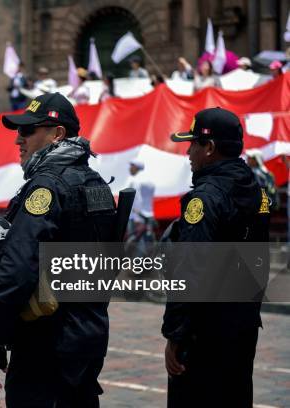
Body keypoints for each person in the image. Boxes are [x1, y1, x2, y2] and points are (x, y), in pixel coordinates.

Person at [0, 93, 118, 406]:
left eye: (29, 130)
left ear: (58, 134)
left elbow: (18, 267)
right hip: (88, 334)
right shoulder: (96, 184)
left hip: (47, 342)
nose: (19, 139)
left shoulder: (47, 186)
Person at [164, 107, 270, 407]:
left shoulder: (205, 198)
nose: (188, 151)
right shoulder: (257, 192)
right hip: (243, 324)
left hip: (204, 333)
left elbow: (189, 272)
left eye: (193, 143)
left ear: (209, 148)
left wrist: (175, 335)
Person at [125, 158, 155, 236]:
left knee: (136, 245)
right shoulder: (149, 180)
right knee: (148, 244)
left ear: (136, 167)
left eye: (132, 166)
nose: (129, 168)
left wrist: (137, 219)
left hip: (137, 219)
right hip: (148, 216)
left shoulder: (135, 181)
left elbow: (137, 200)